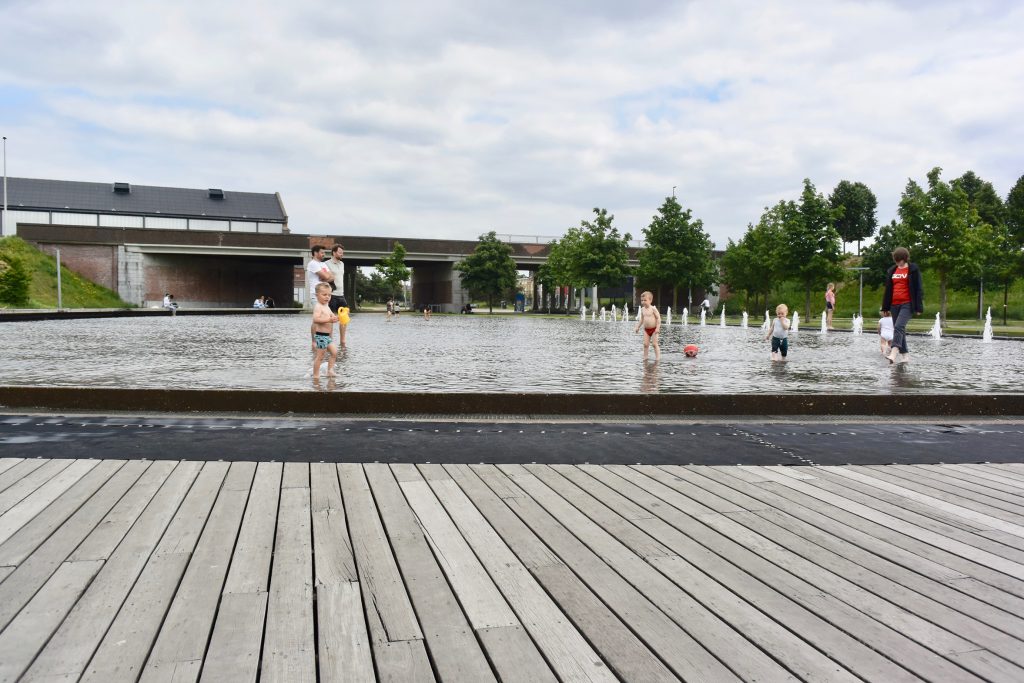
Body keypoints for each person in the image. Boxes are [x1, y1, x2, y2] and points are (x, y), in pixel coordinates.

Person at [881, 246, 924, 364]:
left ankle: (893, 353)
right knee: (900, 330)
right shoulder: (892, 271)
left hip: (907, 303)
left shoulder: (913, 270)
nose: (898, 262)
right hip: (894, 304)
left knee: (899, 326)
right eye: (896, 260)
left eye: (899, 260)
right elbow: (888, 290)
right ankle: (905, 356)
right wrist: (885, 307)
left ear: (904, 258)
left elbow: (918, 288)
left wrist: (919, 307)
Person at [311, 282, 339, 378]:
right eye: (324, 295)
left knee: (334, 352)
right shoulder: (318, 306)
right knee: (320, 356)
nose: (327, 297)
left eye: (329, 295)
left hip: (327, 337)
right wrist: (329, 320)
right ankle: (316, 375)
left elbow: (332, 316)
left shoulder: (326, 305)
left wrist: (337, 317)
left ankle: (330, 371)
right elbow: (315, 319)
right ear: (317, 295)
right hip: (321, 336)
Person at [325, 245, 348, 348]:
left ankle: (343, 341)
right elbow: (324, 278)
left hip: (341, 294)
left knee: (344, 318)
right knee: (331, 319)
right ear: (334, 252)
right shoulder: (326, 264)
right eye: (340, 252)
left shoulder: (342, 264)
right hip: (332, 295)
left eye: (342, 252)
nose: (342, 254)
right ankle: (329, 341)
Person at [634, 290, 661, 361]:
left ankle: (657, 358)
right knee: (645, 344)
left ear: (650, 300)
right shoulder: (642, 309)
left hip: (654, 329)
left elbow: (658, 318)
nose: (643, 302)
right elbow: (642, 319)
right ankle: (645, 357)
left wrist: (658, 328)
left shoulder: (653, 309)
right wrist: (637, 327)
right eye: (642, 300)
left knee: (654, 344)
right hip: (646, 330)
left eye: (645, 300)